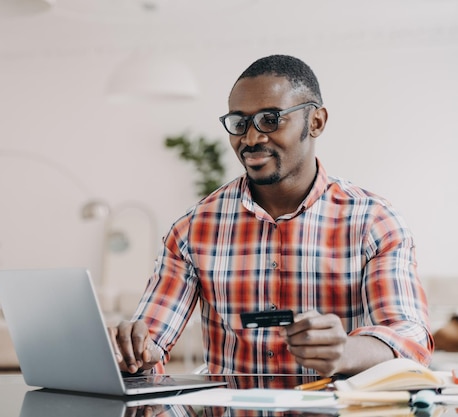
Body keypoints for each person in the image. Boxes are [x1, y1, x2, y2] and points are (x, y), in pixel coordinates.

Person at [109, 54, 433, 378]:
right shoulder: (193, 230)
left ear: (316, 122)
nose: (251, 139)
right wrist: (136, 352)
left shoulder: (374, 222)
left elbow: (410, 339)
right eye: (239, 123)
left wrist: (346, 352)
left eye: (270, 119)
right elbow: (150, 341)